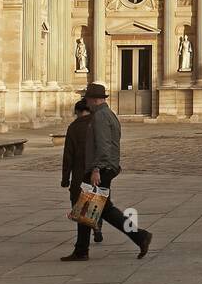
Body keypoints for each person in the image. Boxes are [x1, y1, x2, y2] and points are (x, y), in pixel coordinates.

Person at [62, 82, 153, 260]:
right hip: (106, 167)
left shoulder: (100, 117)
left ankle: (140, 235)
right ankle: (81, 249)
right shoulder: (109, 115)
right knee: (87, 207)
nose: (86, 102)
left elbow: (103, 145)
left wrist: (97, 169)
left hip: (101, 168)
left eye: (87, 98)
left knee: (104, 209)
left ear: (94, 99)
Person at [60, 98, 102, 244]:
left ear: (77, 112)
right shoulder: (97, 123)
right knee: (97, 199)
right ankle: (97, 226)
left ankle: (84, 240)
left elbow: (68, 155)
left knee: (78, 202)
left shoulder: (74, 127)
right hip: (97, 170)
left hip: (79, 171)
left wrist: (65, 178)